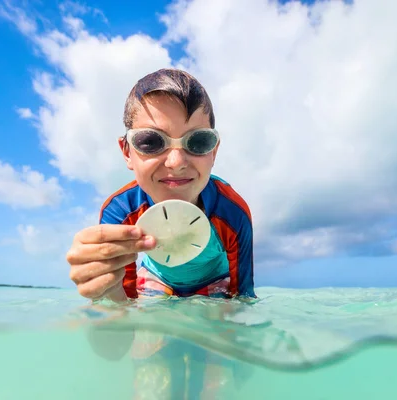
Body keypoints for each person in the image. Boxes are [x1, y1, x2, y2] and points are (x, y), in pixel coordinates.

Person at [66, 68, 256, 302]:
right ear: (127, 152)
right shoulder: (120, 212)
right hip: (157, 280)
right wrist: (106, 289)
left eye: (198, 141)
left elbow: (244, 297)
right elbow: (124, 304)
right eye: (150, 141)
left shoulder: (232, 212)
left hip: (215, 281)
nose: (176, 163)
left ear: (213, 151)